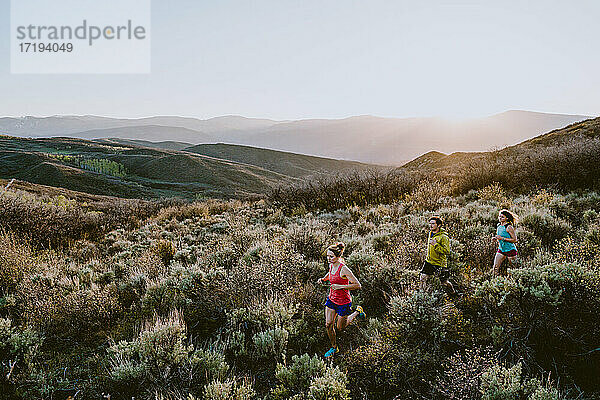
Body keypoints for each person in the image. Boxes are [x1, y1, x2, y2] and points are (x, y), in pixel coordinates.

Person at [317, 242, 366, 358]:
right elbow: (330, 273)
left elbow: (358, 285)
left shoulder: (344, 269)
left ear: (338, 256)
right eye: (327, 256)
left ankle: (357, 312)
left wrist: (341, 287)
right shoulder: (331, 265)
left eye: (331, 256)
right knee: (328, 324)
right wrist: (323, 279)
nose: (328, 259)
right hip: (332, 299)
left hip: (343, 302)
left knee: (340, 327)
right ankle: (334, 347)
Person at [419, 216, 456, 294]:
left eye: (433, 224)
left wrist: (435, 245)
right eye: (430, 223)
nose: (431, 225)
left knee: (444, 283)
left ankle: (453, 292)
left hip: (440, 263)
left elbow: (446, 251)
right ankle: (421, 296)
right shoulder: (430, 233)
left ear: (439, 225)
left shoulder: (444, 237)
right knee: (423, 277)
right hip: (429, 261)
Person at [492, 209, 518, 276]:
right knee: (495, 268)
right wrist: (496, 238)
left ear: (507, 218)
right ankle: (495, 282)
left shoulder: (509, 227)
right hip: (501, 249)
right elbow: (500, 236)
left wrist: (502, 239)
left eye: (502, 217)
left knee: (513, 269)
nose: (500, 218)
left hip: (510, 250)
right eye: (499, 216)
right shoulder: (499, 226)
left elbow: (515, 240)